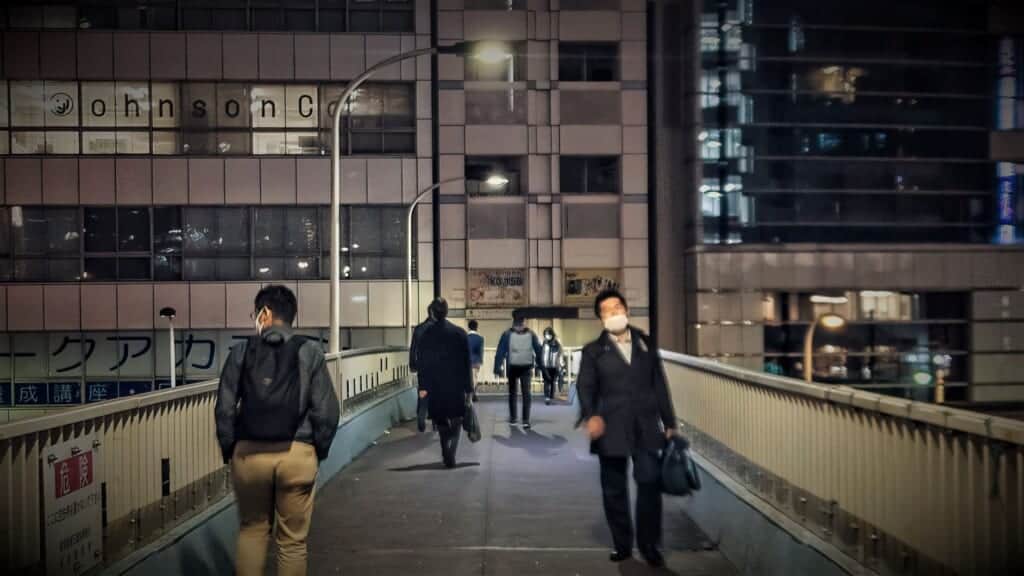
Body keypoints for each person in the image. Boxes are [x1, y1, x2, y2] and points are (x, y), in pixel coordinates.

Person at [215, 285, 340, 576]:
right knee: (292, 542)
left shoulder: (241, 351)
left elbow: (224, 409)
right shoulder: (309, 351)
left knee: (252, 531)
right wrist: (315, 450)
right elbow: (326, 412)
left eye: (255, 313)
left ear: (266, 313)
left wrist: (230, 451)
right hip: (297, 455)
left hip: (249, 457)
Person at [577, 289, 677, 568]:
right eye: (607, 310)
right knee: (614, 489)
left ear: (626, 310)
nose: (613, 313)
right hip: (610, 427)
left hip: (646, 426)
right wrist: (591, 416)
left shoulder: (645, 343)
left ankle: (649, 545)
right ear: (601, 318)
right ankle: (622, 544)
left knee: (649, 484)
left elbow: (659, 384)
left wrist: (669, 422)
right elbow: (585, 387)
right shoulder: (593, 351)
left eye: (617, 307)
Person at [416, 298, 474, 468]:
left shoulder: (426, 335)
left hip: (435, 384)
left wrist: (423, 386)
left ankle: (445, 449)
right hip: (456, 384)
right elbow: (466, 362)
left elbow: (423, 363)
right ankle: (451, 452)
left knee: (440, 419)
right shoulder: (459, 333)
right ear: (447, 311)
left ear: (432, 313)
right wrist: (469, 388)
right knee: (456, 419)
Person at [493, 311, 543, 428]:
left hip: (512, 367)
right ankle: (525, 420)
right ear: (523, 320)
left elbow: (500, 352)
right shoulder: (531, 333)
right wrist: (540, 366)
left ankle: (513, 418)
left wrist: (497, 368)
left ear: (513, 319)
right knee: (526, 393)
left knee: (512, 393)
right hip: (526, 367)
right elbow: (538, 350)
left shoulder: (506, 334)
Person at [410, 308, 437, 433]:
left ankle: (421, 419)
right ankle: (436, 423)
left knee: (423, 393)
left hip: (423, 367)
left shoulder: (419, 329)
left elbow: (413, 349)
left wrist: (413, 365)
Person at [540, 326, 564, 405]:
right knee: (546, 381)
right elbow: (543, 353)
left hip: (554, 365)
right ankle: (547, 397)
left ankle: (551, 396)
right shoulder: (544, 342)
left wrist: (560, 364)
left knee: (553, 381)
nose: (547, 336)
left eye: (548, 334)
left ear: (552, 334)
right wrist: (542, 363)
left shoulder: (557, 342)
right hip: (546, 365)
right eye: (545, 335)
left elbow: (560, 353)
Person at [467, 319, 485, 402]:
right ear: (476, 327)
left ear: (468, 327)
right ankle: (473, 395)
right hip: (475, 362)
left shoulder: (465, 337)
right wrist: (480, 361)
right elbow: (480, 352)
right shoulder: (480, 338)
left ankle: (469, 395)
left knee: (467, 378)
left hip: (466, 362)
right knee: (474, 378)